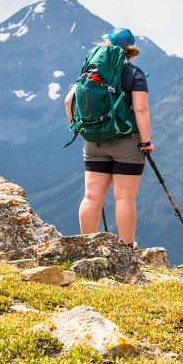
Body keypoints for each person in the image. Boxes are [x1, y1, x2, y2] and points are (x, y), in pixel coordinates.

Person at [64, 27, 154, 246]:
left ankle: (86, 247)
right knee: (124, 197)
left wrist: (79, 127)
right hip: (126, 142)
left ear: (106, 45)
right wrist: (146, 141)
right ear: (131, 51)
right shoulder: (135, 74)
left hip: (93, 140)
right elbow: (141, 110)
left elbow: (69, 101)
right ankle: (126, 249)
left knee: (92, 197)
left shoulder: (91, 71)